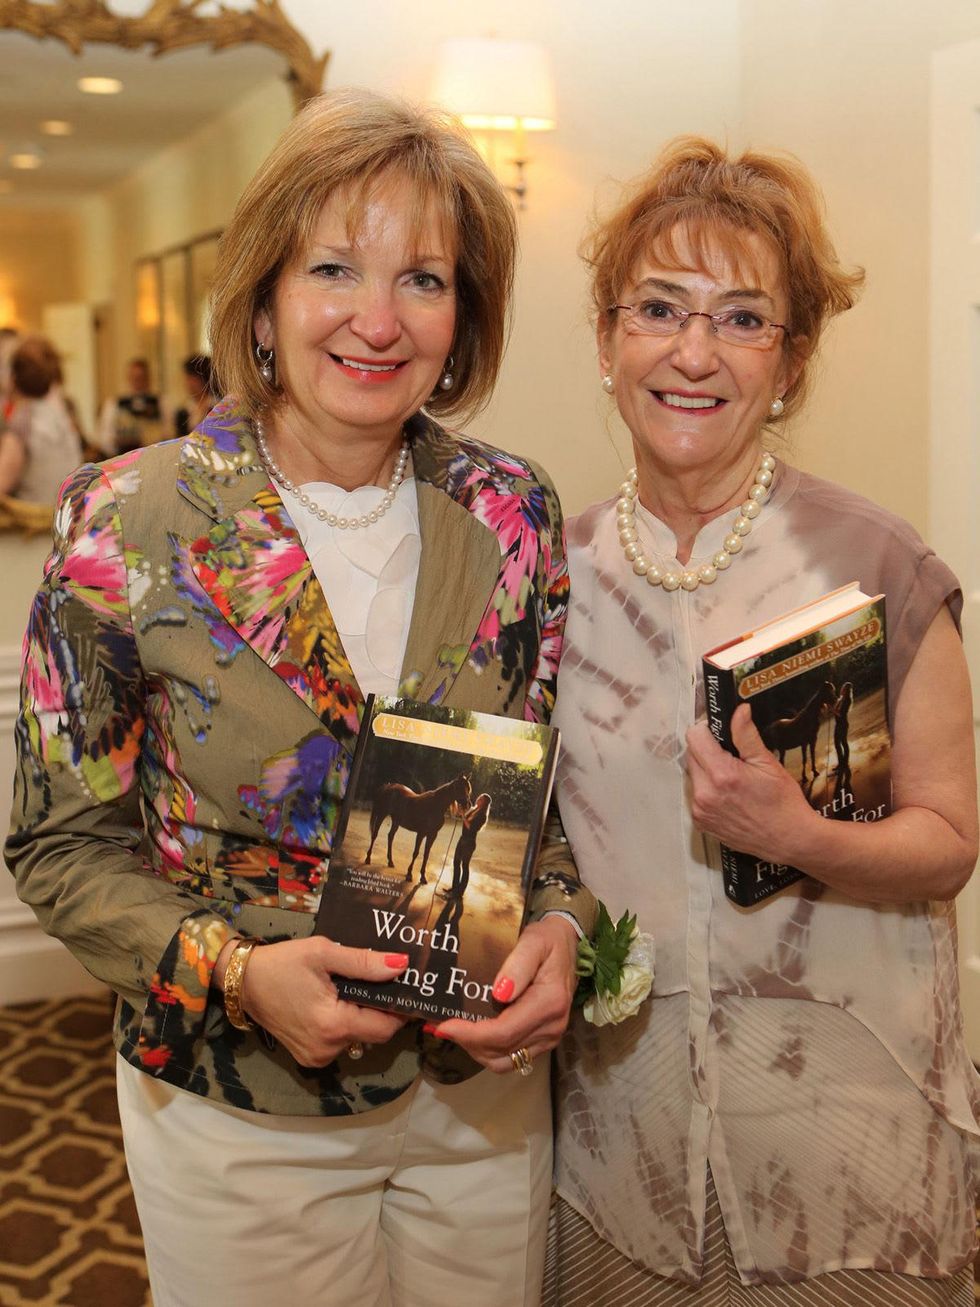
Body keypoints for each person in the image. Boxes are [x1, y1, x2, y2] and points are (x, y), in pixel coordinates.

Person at [7, 89, 591, 1307]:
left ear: (462, 312)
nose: (378, 319)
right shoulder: (129, 518)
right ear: (264, 295)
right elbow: (60, 843)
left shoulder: (510, 507)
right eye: (334, 267)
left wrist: (558, 926)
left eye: (423, 279)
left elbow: (542, 799)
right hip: (240, 1104)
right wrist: (233, 971)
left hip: (477, 1098)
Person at [545, 138, 979, 1305]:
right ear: (605, 339)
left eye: (742, 320)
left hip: (846, 1150)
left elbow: (946, 841)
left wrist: (799, 836)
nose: (694, 352)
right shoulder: (548, 577)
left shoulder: (876, 566)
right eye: (659, 310)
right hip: (620, 1150)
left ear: (787, 363)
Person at [0, 336, 83, 503]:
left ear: (14, 378)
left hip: (32, 523)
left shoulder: (23, 421)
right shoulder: (60, 416)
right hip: (63, 518)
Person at [95, 356, 167, 454]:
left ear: (148, 378)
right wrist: (118, 441)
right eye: (135, 377)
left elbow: (168, 432)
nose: (138, 381)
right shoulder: (115, 403)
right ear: (128, 378)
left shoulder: (160, 402)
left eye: (142, 377)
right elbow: (104, 438)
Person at [173, 352, 218, 437]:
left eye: (193, 379)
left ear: (204, 378)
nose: (189, 383)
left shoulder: (218, 406)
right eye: (187, 378)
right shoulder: (183, 411)